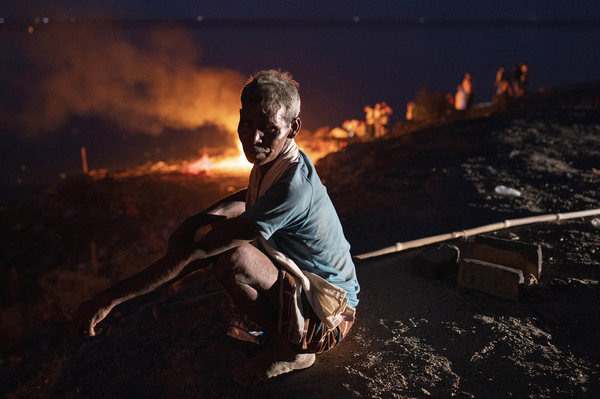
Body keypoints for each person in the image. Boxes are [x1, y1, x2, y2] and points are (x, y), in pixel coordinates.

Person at [73, 70, 360, 386]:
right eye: (247, 124)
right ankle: (279, 328)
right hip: (315, 295)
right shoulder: (281, 160)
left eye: (268, 129)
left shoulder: (293, 187)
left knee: (233, 259)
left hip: (329, 320)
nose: (253, 138)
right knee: (234, 254)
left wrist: (109, 299)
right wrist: (197, 220)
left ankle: (294, 351)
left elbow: (200, 253)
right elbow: (250, 198)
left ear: (293, 127)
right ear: (240, 116)